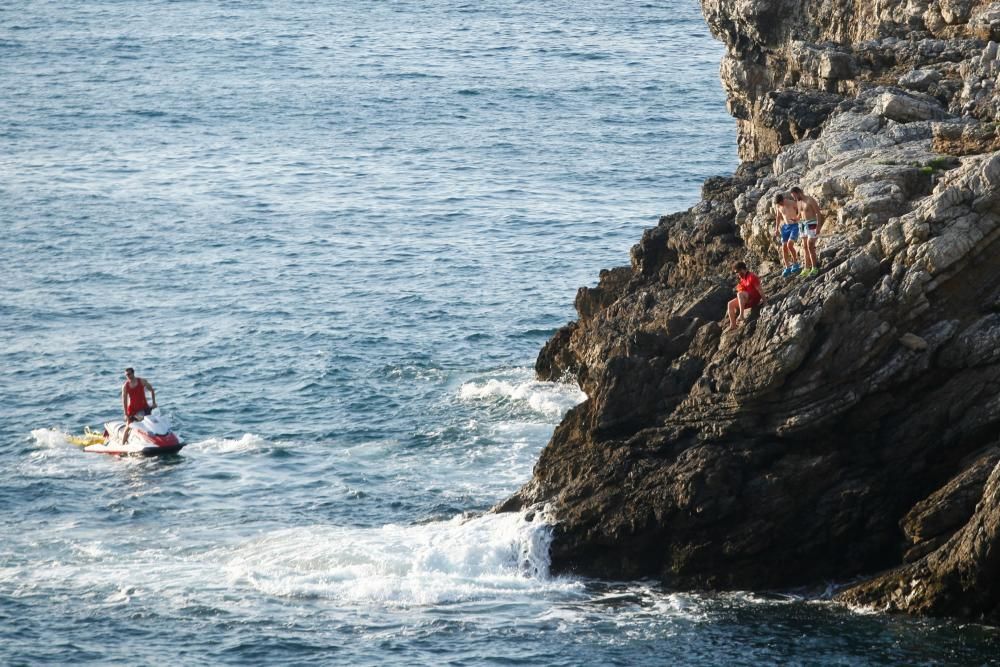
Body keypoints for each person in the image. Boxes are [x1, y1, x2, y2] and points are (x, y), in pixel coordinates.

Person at [791, 186, 824, 277]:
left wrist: (818, 226)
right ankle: (806, 268)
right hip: (802, 224)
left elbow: (818, 212)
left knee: (810, 245)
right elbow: (799, 214)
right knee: (804, 246)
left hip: (812, 223)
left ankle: (814, 267)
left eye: (794, 196)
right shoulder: (798, 202)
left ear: (799, 192)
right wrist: (796, 219)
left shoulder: (810, 200)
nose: (794, 198)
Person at [726, 261, 765, 331]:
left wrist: (765, 302)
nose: (737, 274)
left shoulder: (752, 276)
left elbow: (760, 290)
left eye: (737, 272)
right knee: (730, 304)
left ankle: (741, 315)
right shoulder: (743, 279)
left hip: (754, 299)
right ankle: (733, 325)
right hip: (747, 299)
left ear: (742, 269)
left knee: (739, 294)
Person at [121, 367, 156, 442]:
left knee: (149, 424)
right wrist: (126, 413)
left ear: (133, 373)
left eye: (129, 374)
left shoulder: (142, 381)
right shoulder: (125, 386)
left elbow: (151, 390)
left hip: (144, 407)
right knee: (128, 426)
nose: (128, 376)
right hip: (133, 409)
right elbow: (124, 400)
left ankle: (154, 441)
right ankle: (122, 444)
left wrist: (154, 403)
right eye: (126, 375)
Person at [773, 193, 801, 277]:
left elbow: (800, 210)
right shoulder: (778, 206)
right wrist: (776, 228)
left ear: (783, 200)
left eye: (781, 203)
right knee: (784, 247)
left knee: (789, 245)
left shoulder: (791, 203)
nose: (780, 205)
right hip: (785, 227)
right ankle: (787, 267)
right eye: (779, 204)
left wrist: (798, 218)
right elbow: (778, 217)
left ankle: (795, 264)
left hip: (794, 226)